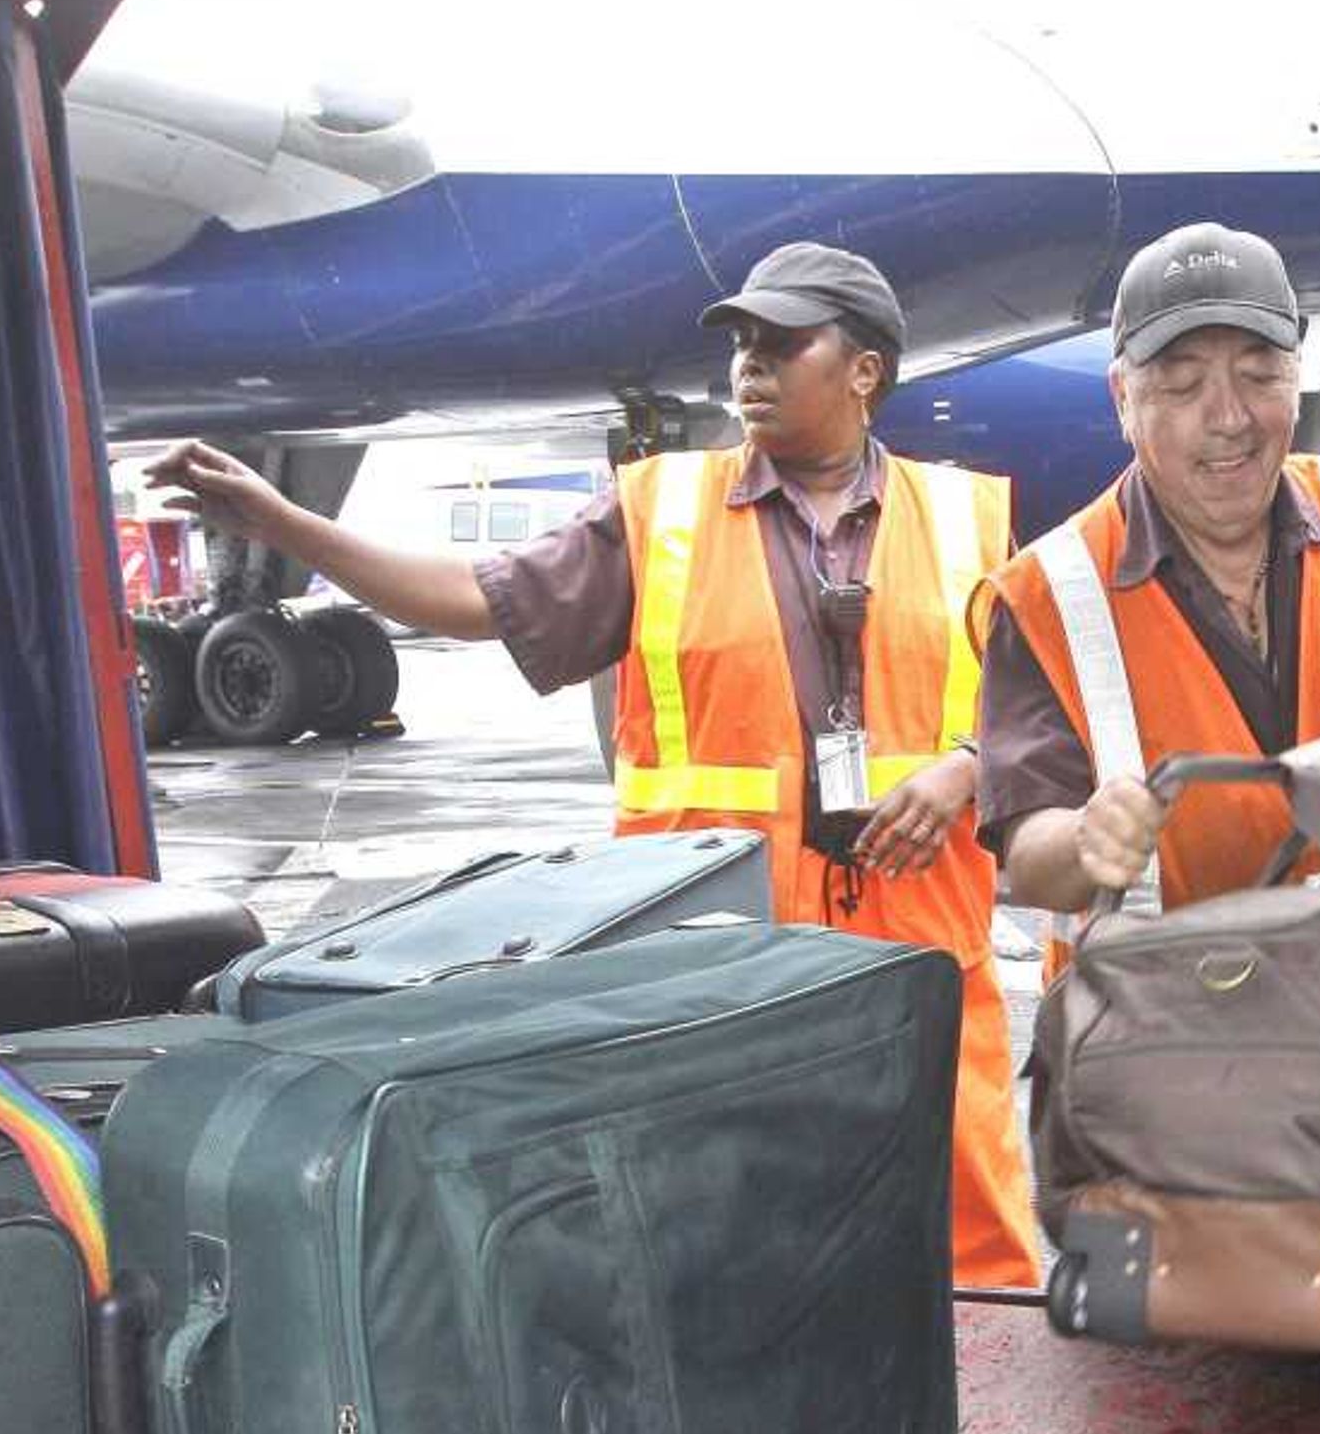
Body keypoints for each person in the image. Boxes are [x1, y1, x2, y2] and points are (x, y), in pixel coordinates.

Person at [143, 240, 1042, 1285]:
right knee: (728, 1266)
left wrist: (965, 770)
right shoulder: (659, 514)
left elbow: (1039, 705)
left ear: (865, 371)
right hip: (714, 976)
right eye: (742, 343)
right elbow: (477, 600)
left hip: (918, 961)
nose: (749, 365)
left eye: (783, 342)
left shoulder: (968, 520)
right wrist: (286, 523)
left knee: (969, 1264)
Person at [983, 222, 1320, 924]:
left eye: (1260, 375)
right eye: (1182, 384)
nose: (1229, 417)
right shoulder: (1044, 591)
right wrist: (1085, 839)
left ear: (1297, 379)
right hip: (1160, 1017)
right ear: (1121, 398)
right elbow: (1027, 849)